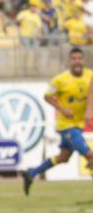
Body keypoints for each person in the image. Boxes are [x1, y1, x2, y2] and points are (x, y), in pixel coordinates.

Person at [22, 47, 93, 195]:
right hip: (66, 126)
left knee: (63, 158)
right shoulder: (60, 79)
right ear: (69, 61)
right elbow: (47, 96)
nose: (77, 62)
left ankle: (31, 173)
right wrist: (62, 109)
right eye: (74, 59)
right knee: (90, 156)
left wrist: (89, 109)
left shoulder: (90, 76)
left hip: (79, 125)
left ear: (83, 60)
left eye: (79, 58)